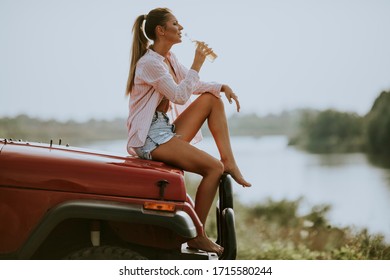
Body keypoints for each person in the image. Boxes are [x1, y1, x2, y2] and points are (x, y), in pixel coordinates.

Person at [125, 7, 251, 255]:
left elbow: (193, 85)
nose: (181, 28)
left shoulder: (168, 58)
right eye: (175, 23)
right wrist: (197, 62)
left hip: (162, 128)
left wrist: (221, 86)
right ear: (161, 31)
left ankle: (230, 161)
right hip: (149, 136)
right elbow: (180, 96)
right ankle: (197, 235)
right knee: (213, 168)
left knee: (211, 99)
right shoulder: (150, 64)